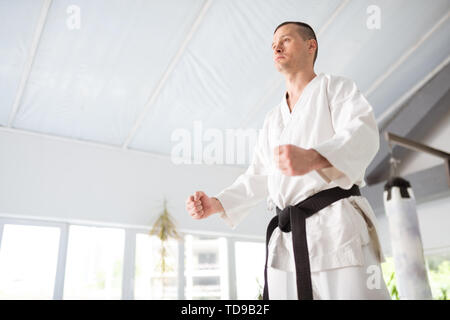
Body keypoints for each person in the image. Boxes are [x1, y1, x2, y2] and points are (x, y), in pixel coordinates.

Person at [185, 21, 390, 300]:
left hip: (336, 229)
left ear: (310, 45)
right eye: (273, 45)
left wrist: (315, 158)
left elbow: (363, 133)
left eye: (286, 40)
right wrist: (217, 203)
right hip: (287, 239)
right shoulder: (273, 118)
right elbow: (258, 175)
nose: (276, 47)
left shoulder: (335, 88)